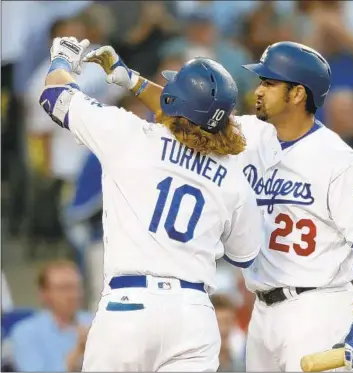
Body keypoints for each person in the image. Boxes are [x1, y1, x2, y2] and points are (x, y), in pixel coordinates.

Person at [85, 41, 353, 371]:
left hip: (319, 305)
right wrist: (131, 80)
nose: (259, 90)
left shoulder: (340, 162)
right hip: (262, 309)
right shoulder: (250, 134)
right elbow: (188, 112)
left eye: (270, 84)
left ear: (298, 94)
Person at [39, 36, 262, 372]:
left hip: (129, 308)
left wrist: (61, 61)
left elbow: (53, 94)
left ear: (172, 101)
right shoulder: (234, 177)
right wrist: (131, 79)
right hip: (194, 315)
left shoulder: (129, 134)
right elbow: (244, 254)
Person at [9, 260, 92, 371]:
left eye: (76, 287)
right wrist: (78, 351)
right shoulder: (25, 333)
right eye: (64, 288)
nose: (73, 294)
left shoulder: (95, 322)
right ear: (44, 294)